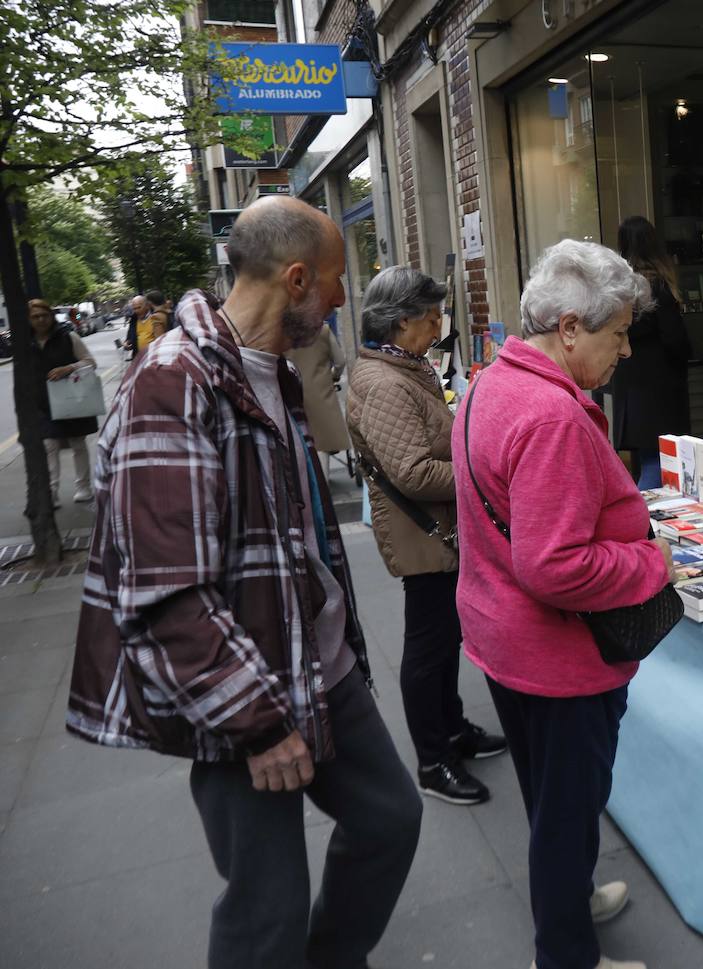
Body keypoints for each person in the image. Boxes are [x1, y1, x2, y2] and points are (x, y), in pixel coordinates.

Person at [67, 195, 422, 969]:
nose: (338, 299)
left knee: (390, 820)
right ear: (295, 279)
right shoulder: (172, 383)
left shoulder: (270, 371)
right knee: (267, 909)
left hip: (317, 672)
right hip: (243, 697)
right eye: (332, 282)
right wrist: (257, 724)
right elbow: (167, 593)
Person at [455, 239, 675, 969]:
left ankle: (570, 901)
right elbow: (553, 565)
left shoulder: (491, 381)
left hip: (503, 639)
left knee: (551, 802)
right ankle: (566, 955)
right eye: (619, 334)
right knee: (565, 811)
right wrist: (649, 559)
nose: (628, 351)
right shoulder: (551, 415)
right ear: (573, 327)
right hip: (555, 659)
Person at [347, 266, 507, 806]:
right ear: (400, 323)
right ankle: (433, 760)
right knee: (428, 646)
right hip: (425, 533)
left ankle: (454, 730)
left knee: (443, 641)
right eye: (431, 317)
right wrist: (481, 471)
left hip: (436, 527)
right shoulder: (386, 382)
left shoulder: (402, 367)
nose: (438, 325)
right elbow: (412, 472)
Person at [609, 216, 692, 489]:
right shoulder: (656, 287)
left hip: (630, 387)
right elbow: (674, 338)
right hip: (658, 390)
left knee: (646, 460)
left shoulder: (618, 290)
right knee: (658, 464)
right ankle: (647, 524)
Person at [28, 298, 98, 505]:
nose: (41, 320)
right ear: (28, 320)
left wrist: (68, 368)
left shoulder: (69, 337)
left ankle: (83, 487)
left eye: (45, 315)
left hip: (71, 400)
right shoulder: (25, 343)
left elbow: (90, 362)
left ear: (51, 316)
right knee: (49, 445)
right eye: (35, 317)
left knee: (77, 443)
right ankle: (51, 492)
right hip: (42, 403)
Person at [285, 319, 351, 459]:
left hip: (293, 393)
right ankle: (324, 479)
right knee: (323, 446)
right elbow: (340, 362)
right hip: (321, 392)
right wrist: (333, 376)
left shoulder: (283, 333)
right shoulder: (323, 330)